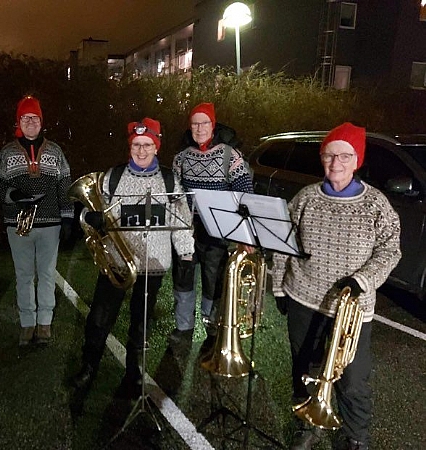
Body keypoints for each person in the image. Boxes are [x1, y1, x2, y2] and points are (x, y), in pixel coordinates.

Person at [271, 122, 401, 450]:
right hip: (303, 296)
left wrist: (363, 280)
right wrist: (277, 286)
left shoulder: (376, 204)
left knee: (353, 378)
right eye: (330, 155)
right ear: (322, 158)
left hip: (352, 308)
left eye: (345, 156)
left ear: (357, 160)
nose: (336, 163)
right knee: (304, 366)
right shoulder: (305, 198)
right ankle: (307, 423)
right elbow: (280, 242)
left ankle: (356, 437)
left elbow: (391, 249)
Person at [71, 118, 195, 396]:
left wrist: (186, 253)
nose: (141, 151)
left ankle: (134, 371)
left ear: (156, 146)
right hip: (116, 263)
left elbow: (182, 220)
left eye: (148, 145)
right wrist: (90, 218)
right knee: (99, 319)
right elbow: (93, 214)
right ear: (130, 146)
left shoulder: (168, 179)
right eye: (137, 145)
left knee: (142, 322)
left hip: (153, 265)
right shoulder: (112, 177)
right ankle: (89, 366)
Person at [0, 95, 73, 347]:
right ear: (19, 121)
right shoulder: (6, 152)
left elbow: (65, 184)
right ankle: (27, 323)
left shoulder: (56, 151)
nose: (30, 122)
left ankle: (45, 323)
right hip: (18, 223)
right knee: (24, 274)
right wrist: (13, 195)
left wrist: (67, 217)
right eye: (25, 118)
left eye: (35, 118)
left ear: (41, 121)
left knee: (47, 274)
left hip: (50, 223)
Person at [170, 102, 254, 345]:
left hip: (218, 230)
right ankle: (183, 326)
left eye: (204, 122)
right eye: (194, 124)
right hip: (187, 229)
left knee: (213, 281)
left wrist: (244, 234)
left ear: (213, 124)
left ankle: (212, 327)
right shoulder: (181, 158)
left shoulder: (231, 156)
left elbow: (244, 195)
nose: (199, 128)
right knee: (183, 277)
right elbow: (175, 194)